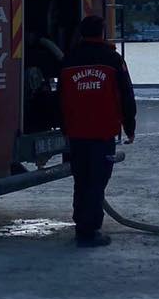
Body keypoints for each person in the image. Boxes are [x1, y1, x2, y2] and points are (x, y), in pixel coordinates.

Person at [58, 15, 136, 248]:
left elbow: (60, 98)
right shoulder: (112, 59)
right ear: (102, 33)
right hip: (102, 133)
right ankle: (89, 231)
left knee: (81, 181)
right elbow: (126, 95)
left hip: (76, 133)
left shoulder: (68, 61)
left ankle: (82, 226)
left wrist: (64, 127)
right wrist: (129, 126)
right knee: (97, 181)